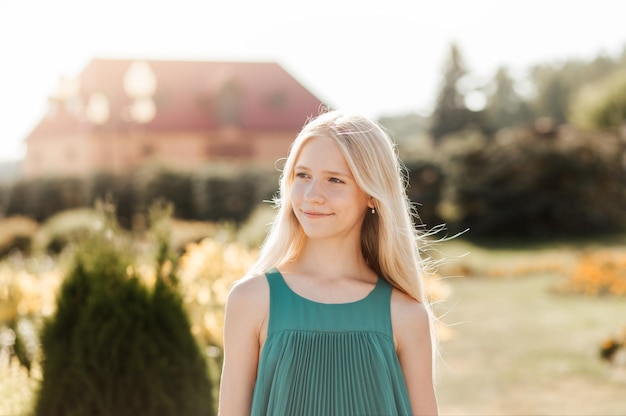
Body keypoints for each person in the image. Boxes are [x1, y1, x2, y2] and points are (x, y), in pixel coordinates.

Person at [218, 109, 439, 416]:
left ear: (372, 195)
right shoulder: (252, 301)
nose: (312, 195)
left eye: (335, 180)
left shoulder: (405, 316)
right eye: (303, 175)